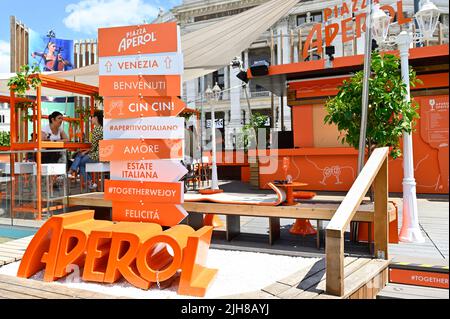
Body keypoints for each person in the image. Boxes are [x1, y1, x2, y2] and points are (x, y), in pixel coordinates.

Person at [68, 110, 103, 189]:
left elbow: (94, 147)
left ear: (96, 118)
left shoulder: (96, 130)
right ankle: (88, 182)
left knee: (81, 160)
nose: (91, 119)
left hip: (97, 155)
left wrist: (86, 152)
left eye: (92, 117)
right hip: (102, 154)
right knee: (80, 156)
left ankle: (73, 171)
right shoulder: (102, 128)